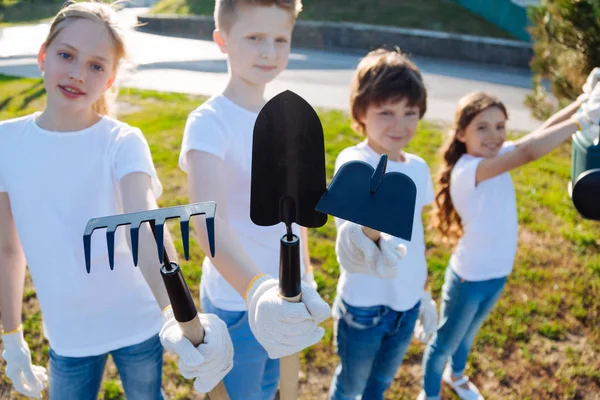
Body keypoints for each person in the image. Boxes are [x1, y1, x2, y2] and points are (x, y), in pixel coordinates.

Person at [0, 3, 233, 399]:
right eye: (66, 55)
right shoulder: (7, 142)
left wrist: (173, 314)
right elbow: (7, 249)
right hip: (68, 334)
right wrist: (12, 337)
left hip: (139, 321)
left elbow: (143, 225)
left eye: (95, 65)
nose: (77, 73)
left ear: (109, 80)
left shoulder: (122, 141)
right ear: (43, 56)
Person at [178, 0, 330, 399]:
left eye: (280, 39)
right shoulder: (210, 123)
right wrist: (258, 291)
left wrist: (306, 275)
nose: (269, 51)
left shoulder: (284, 119)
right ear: (221, 40)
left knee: (269, 387)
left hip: (288, 295)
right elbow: (207, 224)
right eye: (254, 37)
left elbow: (295, 210)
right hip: (238, 301)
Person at [418, 76, 600, 400]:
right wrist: (583, 120)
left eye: (500, 126)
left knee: (468, 335)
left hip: (497, 273)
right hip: (468, 279)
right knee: (445, 341)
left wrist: (581, 101)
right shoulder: (469, 169)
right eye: (482, 127)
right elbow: (529, 151)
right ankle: (430, 394)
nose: (495, 136)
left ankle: (455, 376)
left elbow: (537, 133)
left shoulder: (493, 158)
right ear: (461, 134)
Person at [328, 48, 439, 400]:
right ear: (361, 112)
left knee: (380, 384)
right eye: (386, 112)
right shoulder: (355, 161)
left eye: (410, 113)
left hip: (406, 304)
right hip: (364, 306)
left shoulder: (418, 167)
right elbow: (352, 230)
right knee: (351, 385)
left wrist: (423, 294)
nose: (400, 124)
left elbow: (417, 236)